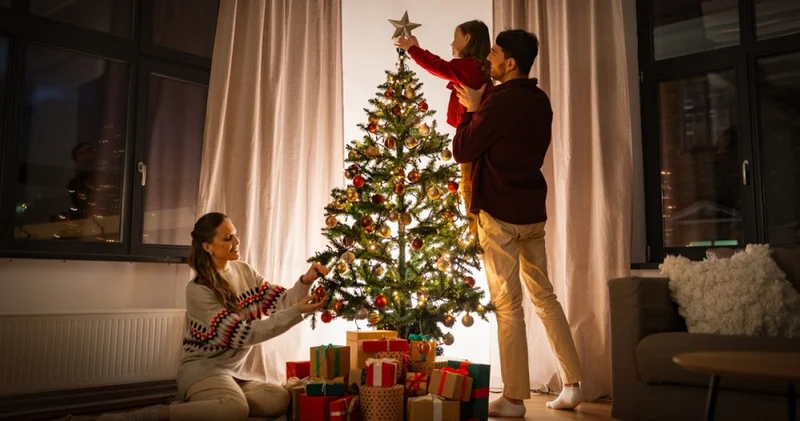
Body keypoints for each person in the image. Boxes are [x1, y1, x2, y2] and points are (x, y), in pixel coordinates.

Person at [452, 30, 584, 417]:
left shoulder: (498, 103)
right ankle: (573, 384)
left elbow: (462, 148)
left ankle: (512, 399)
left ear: (510, 63)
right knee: (545, 297)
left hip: (499, 214)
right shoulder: (540, 101)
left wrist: (473, 111)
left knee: (508, 306)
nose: (487, 60)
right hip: (531, 212)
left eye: (493, 54)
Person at [97, 212, 327, 421]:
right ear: (208, 246)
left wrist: (306, 281)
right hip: (202, 370)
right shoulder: (198, 290)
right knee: (236, 410)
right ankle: (140, 417)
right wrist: (297, 312)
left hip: (233, 373)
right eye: (228, 238)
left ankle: (208, 406)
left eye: (235, 235)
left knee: (278, 399)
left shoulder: (244, 271)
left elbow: (280, 303)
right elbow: (243, 335)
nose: (236, 242)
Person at [394, 20, 492, 235]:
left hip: (472, 138)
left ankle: (476, 237)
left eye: (455, 37)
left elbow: (439, 66)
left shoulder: (470, 67)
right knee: (470, 186)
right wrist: (416, 49)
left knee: (469, 187)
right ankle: (477, 233)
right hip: (475, 136)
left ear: (468, 39)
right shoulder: (475, 67)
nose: (451, 42)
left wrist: (413, 50)